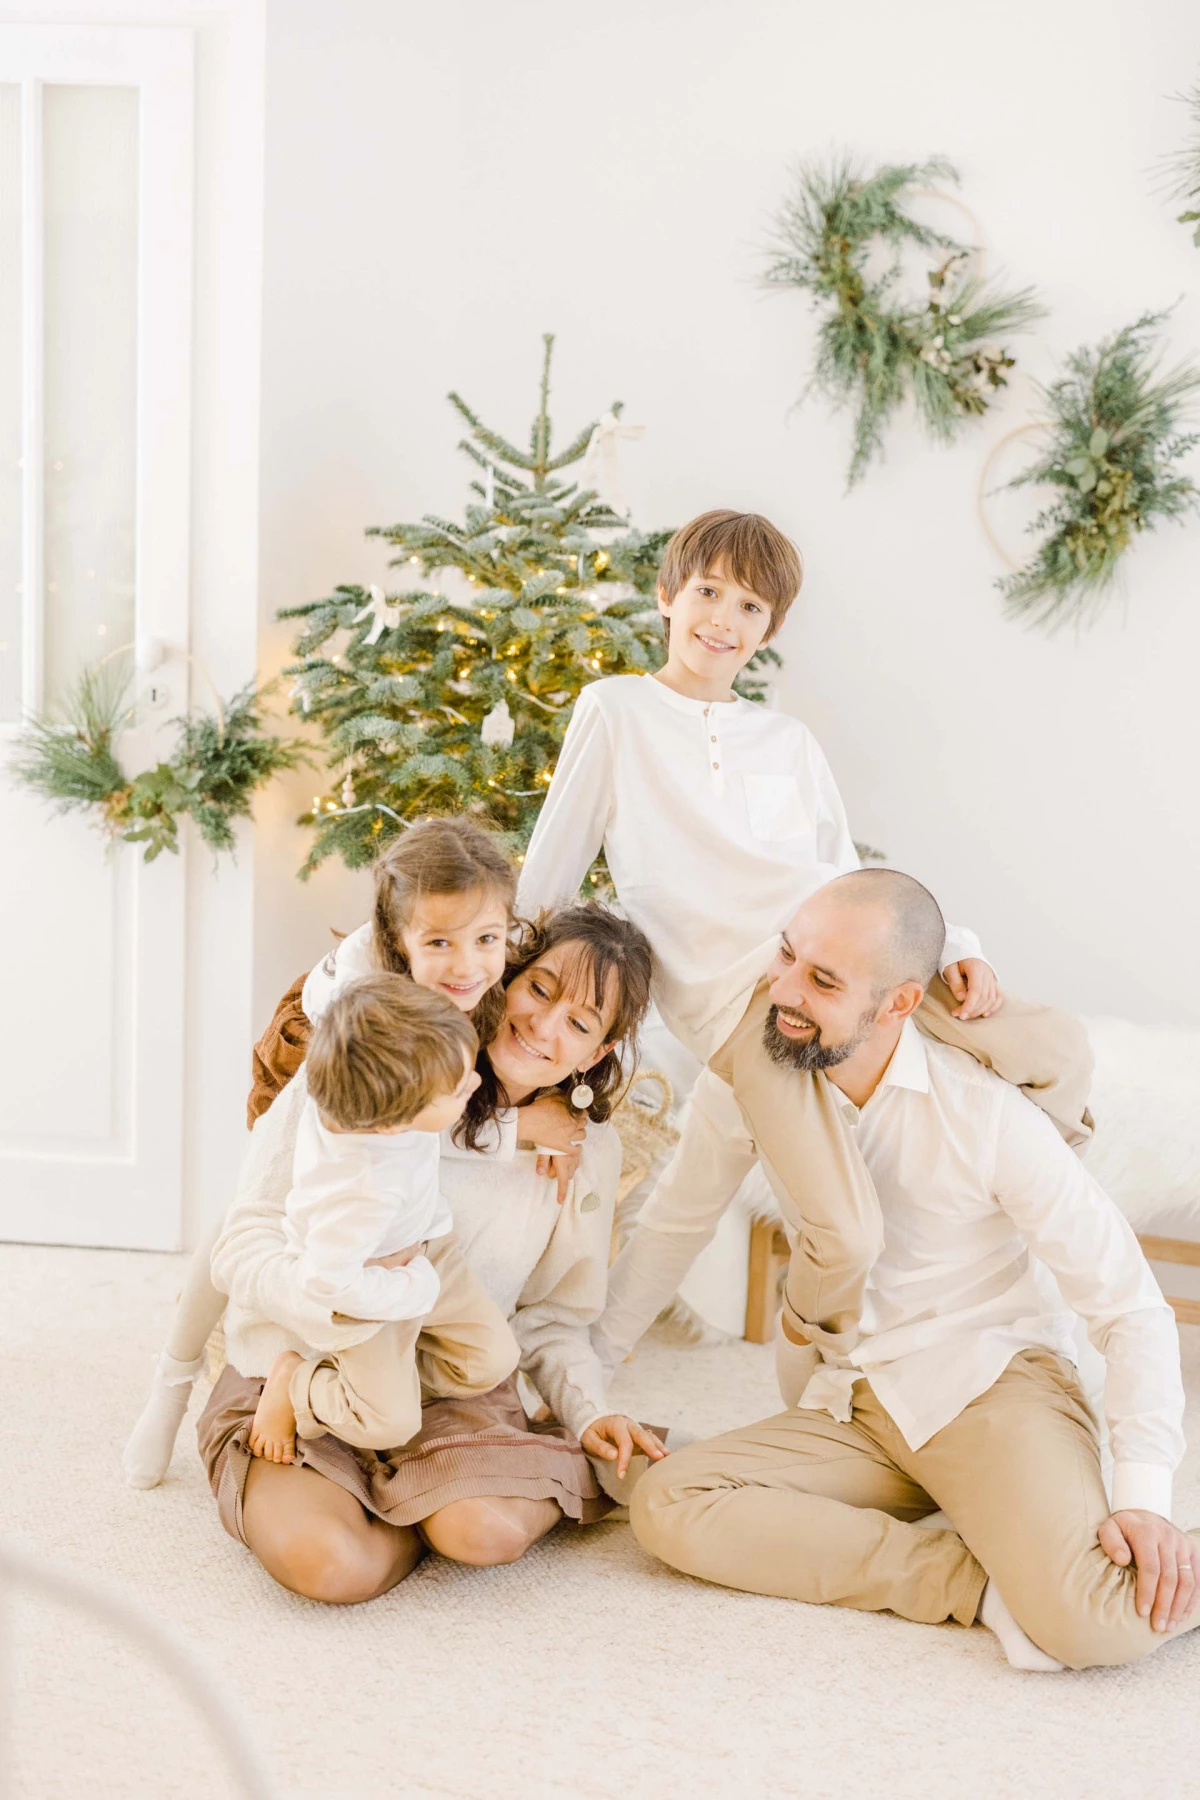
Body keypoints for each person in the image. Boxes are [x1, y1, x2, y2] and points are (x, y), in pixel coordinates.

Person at [520, 506, 1093, 1361]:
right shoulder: (616, 712)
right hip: (745, 1006)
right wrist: (503, 996)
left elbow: (841, 872)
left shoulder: (785, 740)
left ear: (769, 628)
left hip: (849, 968)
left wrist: (953, 942)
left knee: (1059, 1047)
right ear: (667, 596)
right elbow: (549, 874)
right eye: (709, 592)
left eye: (751, 607)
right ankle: (815, 1380)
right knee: (839, 1232)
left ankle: (1028, 1217)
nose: (724, 619)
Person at [630, 870, 1199, 1673]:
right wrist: (585, 1374)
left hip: (986, 1386)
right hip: (857, 1403)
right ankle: (989, 1586)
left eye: (822, 981)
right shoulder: (754, 1079)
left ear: (897, 1004)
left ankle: (1062, 1579)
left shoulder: (983, 1113)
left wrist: (1145, 1503)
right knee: (669, 1503)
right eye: (787, 957)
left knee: (1094, 1627)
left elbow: (1130, 1305)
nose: (784, 990)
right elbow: (673, 1223)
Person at [197, 903, 667, 1604]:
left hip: (454, 1391)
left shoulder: (583, 1151)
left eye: (580, 1022)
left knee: (484, 1532)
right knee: (331, 1567)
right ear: (504, 976)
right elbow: (241, 1241)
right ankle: (414, 1493)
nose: (545, 1026)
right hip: (313, 1378)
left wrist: (588, 1411)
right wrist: (341, 1308)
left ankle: (445, 1490)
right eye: (539, 989)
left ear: (596, 1055)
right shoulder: (370, 1064)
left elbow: (554, 1319)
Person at [122, 816, 583, 1489]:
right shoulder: (366, 1020)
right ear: (400, 943)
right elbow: (401, 1116)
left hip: (397, 1118)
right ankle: (174, 1375)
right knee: (250, 1203)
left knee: (471, 1348)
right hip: (332, 1053)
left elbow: (429, 1114)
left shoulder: (472, 971)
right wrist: (517, 1133)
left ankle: (364, 1386)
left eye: (487, 939)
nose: (468, 964)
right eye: (441, 943)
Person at [245, 975, 519, 1466]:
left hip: (424, 1248)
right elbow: (327, 1285)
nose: (476, 1084)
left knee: (493, 1359)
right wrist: (413, 1286)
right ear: (395, 1123)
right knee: (387, 1423)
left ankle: (393, 1377)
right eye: (459, 1089)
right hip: (370, 1288)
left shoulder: (373, 1101)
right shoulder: (358, 1191)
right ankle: (298, 1383)